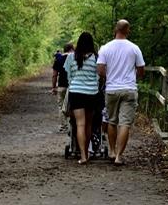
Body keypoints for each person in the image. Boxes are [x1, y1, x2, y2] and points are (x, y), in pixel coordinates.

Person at [97, 19, 144, 166]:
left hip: (111, 89)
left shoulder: (105, 48)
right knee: (125, 124)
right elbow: (141, 69)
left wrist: (109, 77)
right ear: (127, 30)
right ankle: (119, 156)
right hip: (129, 89)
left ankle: (111, 150)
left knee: (112, 121)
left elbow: (100, 69)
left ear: (115, 29)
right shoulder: (134, 48)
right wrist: (133, 77)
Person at [63, 33, 99, 164]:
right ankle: (88, 152)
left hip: (76, 92)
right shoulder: (96, 58)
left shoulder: (71, 57)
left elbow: (69, 77)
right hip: (91, 93)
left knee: (79, 124)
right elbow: (98, 77)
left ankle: (83, 156)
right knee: (89, 124)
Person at [51, 43, 73, 131]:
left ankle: (63, 126)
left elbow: (54, 75)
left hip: (61, 86)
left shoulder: (58, 59)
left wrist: (54, 87)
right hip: (72, 86)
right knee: (73, 106)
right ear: (72, 49)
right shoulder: (75, 58)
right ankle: (73, 126)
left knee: (61, 106)